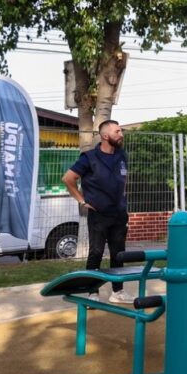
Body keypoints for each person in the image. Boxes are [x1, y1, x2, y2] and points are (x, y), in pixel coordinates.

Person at [63, 119, 133, 304]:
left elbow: (124, 180)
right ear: (105, 136)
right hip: (98, 214)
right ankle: (92, 292)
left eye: (121, 131)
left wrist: (123, 199)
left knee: (118, 253)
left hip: (118, 213)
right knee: (96, 252)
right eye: (117, 131)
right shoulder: (89, 157)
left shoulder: (122, 155)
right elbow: (68, 179)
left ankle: (117, 291)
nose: (121, 134)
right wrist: (82, 201)